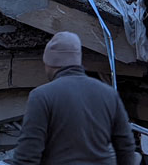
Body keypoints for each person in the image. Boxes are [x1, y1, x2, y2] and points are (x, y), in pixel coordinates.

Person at [10, 32, 135, 165]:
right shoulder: (109, 94)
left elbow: (27, 155)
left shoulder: (41, 96)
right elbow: (126, 146)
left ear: (49, 62)